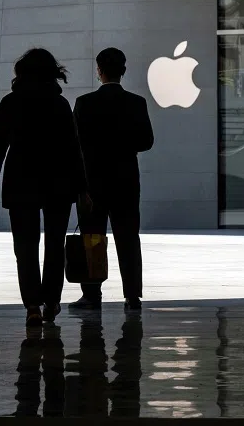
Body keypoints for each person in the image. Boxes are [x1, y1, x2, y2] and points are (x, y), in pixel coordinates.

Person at [0, 48, 91, 327]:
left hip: (21, 179)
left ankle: (32, 304)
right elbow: (73, 148)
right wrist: (82, 187)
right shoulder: (60, 104)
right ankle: (52, 301)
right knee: (55, 244)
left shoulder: (11, 102)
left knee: (25, 246)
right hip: (58, 181)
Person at [70, 48, 154, 312]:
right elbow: (146, 141)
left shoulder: (84, 103)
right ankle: (132, 296)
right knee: (128, 238)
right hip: (126, 182)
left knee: (93, 238)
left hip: (92, 183)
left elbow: (74, 146)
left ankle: (92, 295)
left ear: (99, 70)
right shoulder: (136, 102)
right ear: (123, 70)